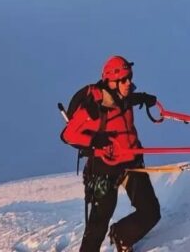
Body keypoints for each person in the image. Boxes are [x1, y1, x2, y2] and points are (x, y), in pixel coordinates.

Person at [61, 55, 161, 252]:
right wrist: (95, 140)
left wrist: (142, 98)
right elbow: (68, 135)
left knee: (150, 212)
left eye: (129, 77)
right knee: (97, 226)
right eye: (123, 80)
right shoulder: (94, 107)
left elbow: (126, 99)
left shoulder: (124, 97)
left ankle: (122, 236)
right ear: (110, 82)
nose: (128, 83)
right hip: (103, 169)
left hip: (131, 161)